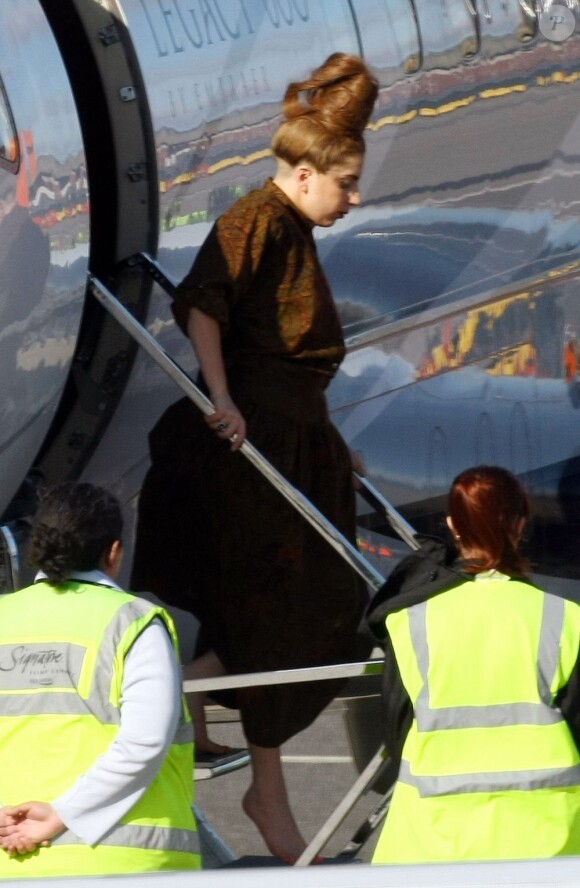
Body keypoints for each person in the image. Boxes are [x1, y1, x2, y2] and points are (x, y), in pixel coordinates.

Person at [130, 52, 378, 861]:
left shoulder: (293, 227)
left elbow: (289, 354)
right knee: (285, 605)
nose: (354, 197)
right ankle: (192, 702)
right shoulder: (256, 221)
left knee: (305, 607)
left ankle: (250, 768)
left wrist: (334, 443)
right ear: (303, 175)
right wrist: (221, 399)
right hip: (257, 440)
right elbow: (203, 308)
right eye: (344, 182)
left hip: (298, 437)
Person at [366, 465, 580, 864]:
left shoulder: (409, 621)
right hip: (547, 841)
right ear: (520, 523)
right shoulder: (565, 618)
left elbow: (396, 732)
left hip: (431, 843)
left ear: (452, 525)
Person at [0, 483, 200, 877]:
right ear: (113, 552)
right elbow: (144, 741)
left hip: (10, 859)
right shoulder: (133, 621)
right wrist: (63, 814)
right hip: (124, 862)